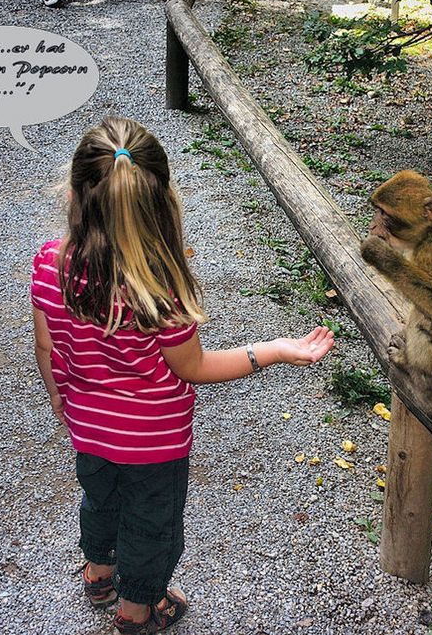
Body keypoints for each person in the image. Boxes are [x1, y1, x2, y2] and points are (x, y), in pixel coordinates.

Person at [31, 116, 334, 634]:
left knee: (100, 501)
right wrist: (272, 351)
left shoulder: (48, 264)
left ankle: (99, 576)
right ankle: (137, 611)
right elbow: (192, 366)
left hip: (88, 428)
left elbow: (46, 345)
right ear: (160, 201)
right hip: (155, 442)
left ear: (77, 192)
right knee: (151, 528)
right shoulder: (158, 284)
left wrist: (62, 402)